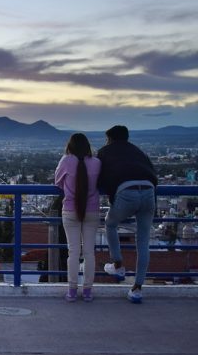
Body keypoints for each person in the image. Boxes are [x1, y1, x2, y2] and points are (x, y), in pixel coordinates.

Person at [98, 125, 157, 304]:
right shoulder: (139, 151)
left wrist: (111, 196)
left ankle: (118, 265)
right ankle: (137, 289)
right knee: (143, 241)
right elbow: (153, 174)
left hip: (126, 192)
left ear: (110, 138)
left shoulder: (104, 152)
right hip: (149, 191)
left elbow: (99, 178)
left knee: (110, 223)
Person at [54, 133, 101, 302]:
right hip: (92, 211)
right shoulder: (97, 163)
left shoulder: (66, 161)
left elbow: (57, 182)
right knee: (89, 252)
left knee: (73, 252)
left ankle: (72, 290)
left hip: (70, 210)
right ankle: (87, 291)